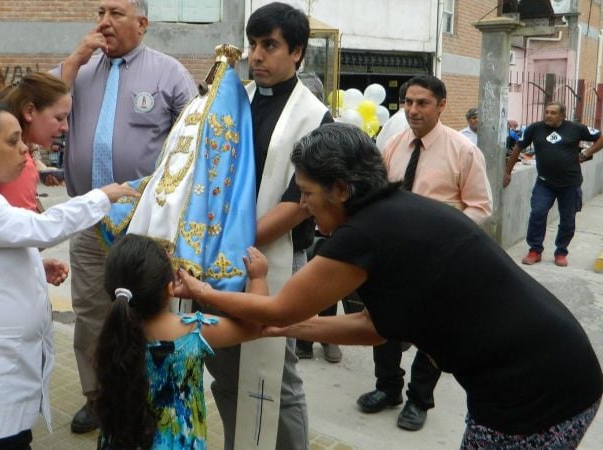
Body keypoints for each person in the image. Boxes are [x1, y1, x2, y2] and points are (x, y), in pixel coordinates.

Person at [175, 122, 603, 449]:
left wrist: (202, 294)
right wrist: (289, 331)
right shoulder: (392, 213)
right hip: (557, 372)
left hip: (536, 393)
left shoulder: (363, 235)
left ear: (341, 189)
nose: (302, 205)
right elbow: (374, 326)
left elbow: (280, 308)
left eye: (306, 193)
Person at [0, 103, 137, 447]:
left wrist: (32, 266)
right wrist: (101, 197)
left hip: (4, 361)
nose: (25, 149)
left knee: (14, 436)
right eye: (12, 141)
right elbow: (42, 229)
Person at [51, 0, 196, 433]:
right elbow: (37, 104)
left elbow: (195, 136)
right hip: (87, 219)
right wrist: (76, 59)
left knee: (146, 313)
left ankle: (148, 396)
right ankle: (98, 398)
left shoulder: (168, 72)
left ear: (142, 23)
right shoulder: (81, 71)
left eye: (115, 12)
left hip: (144, 226)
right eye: (100, 12)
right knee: (92, 312)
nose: (104, 22)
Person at [201, 4, 331, 449]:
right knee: (222, 360)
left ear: (296, 52)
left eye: (269, 45)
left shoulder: (315, 118)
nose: (256, 55)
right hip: (219, 256)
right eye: (253, 44)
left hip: (275, 258)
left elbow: (299, 204)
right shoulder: (233, 103)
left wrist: (231, 242)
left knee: (277, 371)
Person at [363, 75, 492, 431]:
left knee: (433, 333)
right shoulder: (394, 144)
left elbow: (480, 206)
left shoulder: (463, 150)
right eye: (408, 103)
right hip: (393, 257)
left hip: (440, 259)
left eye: (422, 103)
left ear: (441, 104)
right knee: (383, 325)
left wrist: (447, 242)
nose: (413, 110)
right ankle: (387, 388)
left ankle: (419, 400)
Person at [94, 234, 264, 449]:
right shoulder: (192, 330)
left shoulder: (113, 332)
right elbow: (255, 325)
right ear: (169, 289)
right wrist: (258, 278)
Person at [504, 102, 603, 267]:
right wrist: (507, 172)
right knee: (537, 214)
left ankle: (561, 252)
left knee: (567, 220)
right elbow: (518, 148)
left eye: (553, 113)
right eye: (547, 112)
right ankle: (535, 250)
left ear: (562, 115)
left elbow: (600, 137)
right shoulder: (535, 128)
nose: (548, 115)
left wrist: (586, 153)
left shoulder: (576, 128)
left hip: (570, 185)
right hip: (545, 183)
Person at [294, 70, 342, 364]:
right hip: (301, 229)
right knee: (303, 289)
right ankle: (304, 340)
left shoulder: (331, 132)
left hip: (329, 223)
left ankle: (328, 337)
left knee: (327, 287)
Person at [0, 72, 71, 211]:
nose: (65, 128)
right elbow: (23, 226)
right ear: (29, 111)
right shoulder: (18, 162)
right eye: (59, 118)